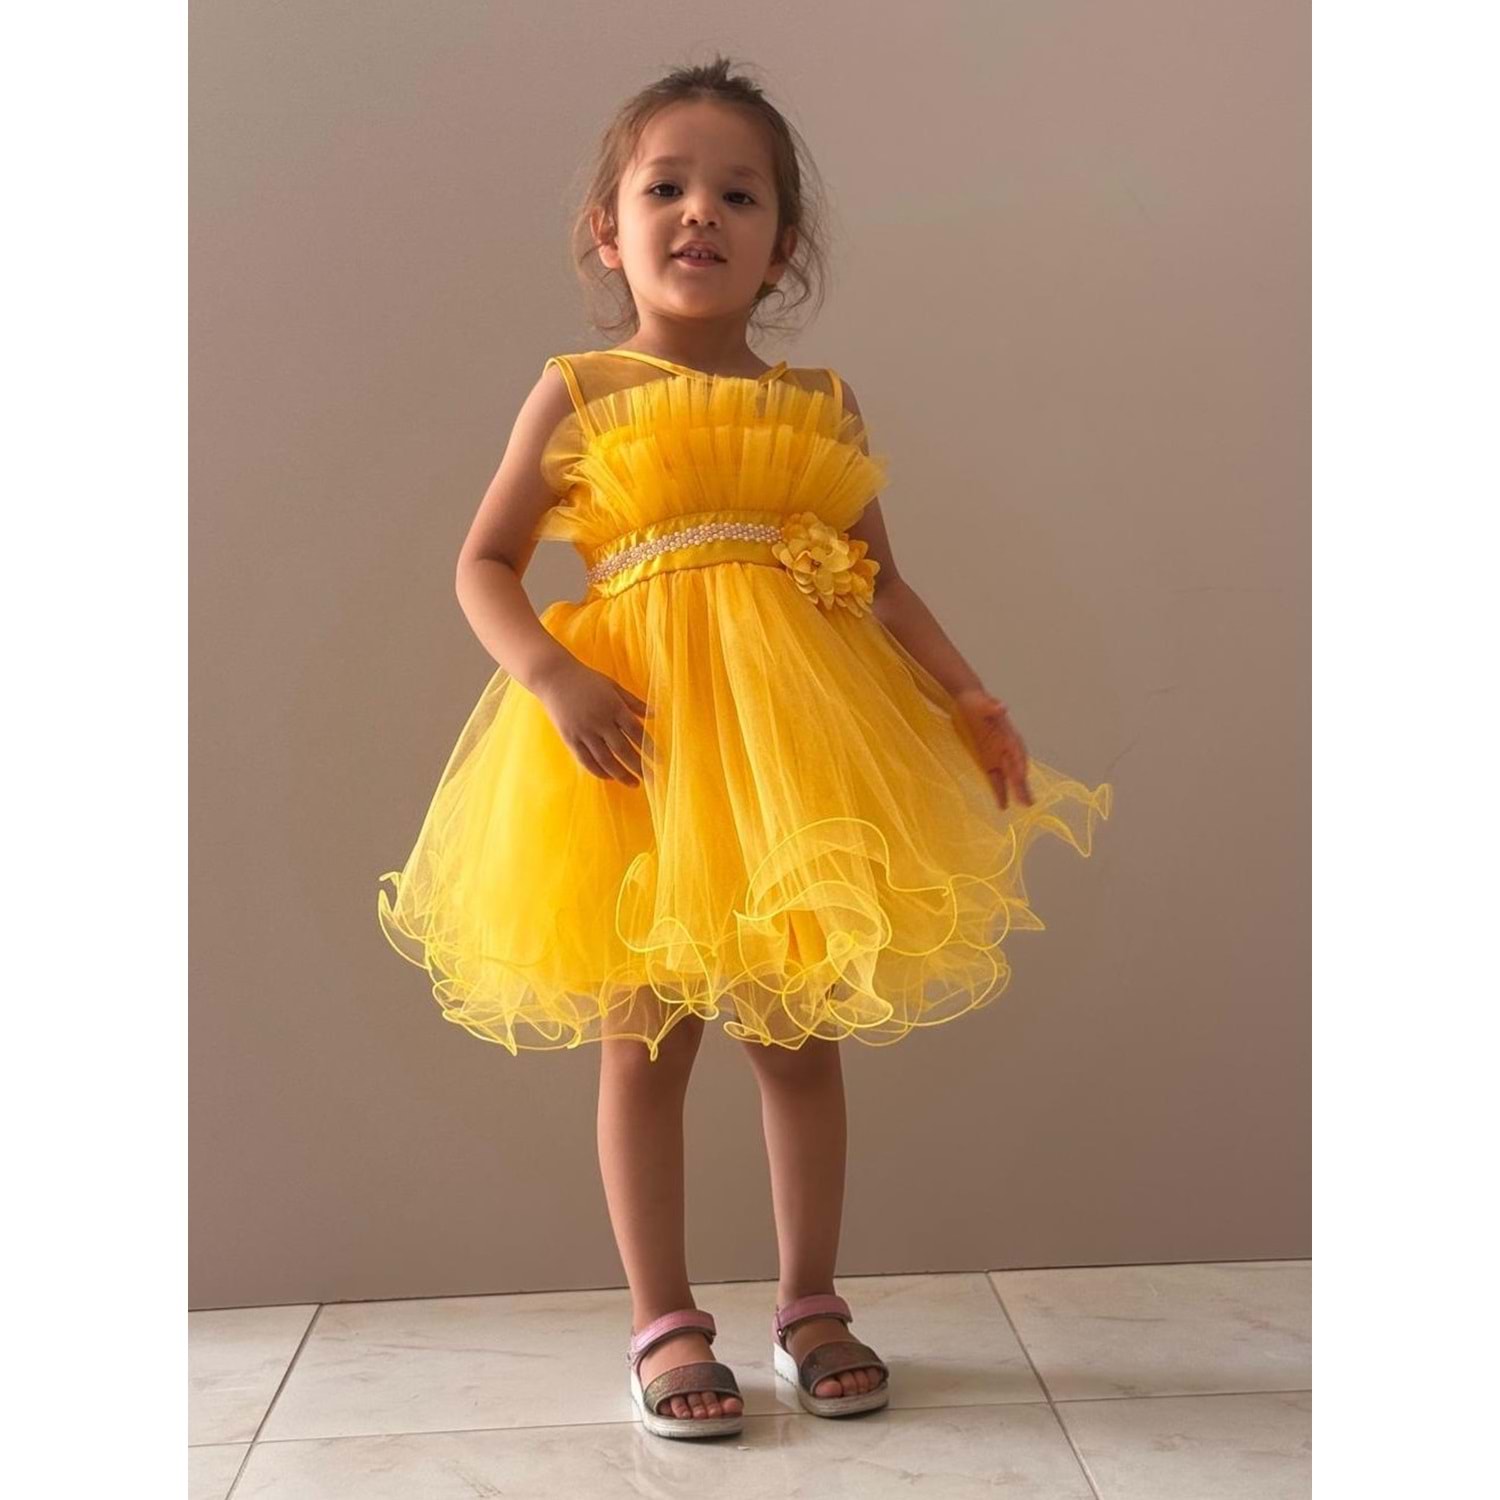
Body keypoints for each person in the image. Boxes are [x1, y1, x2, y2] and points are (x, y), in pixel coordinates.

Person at [376, 56, 1112, 1441]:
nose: (699, 212)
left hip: (789, 758)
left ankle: (809, 1302)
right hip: (638, 750)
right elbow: (483, 561)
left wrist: (968, 695)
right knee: (644, 1041)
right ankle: (662, 1320)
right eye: (665, 188)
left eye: (739, 194)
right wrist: (549, 672)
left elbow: (879, 582)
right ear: (609, 231)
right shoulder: (583, 389)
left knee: (797, 1036)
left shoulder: (818, 404)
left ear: (784, 246)